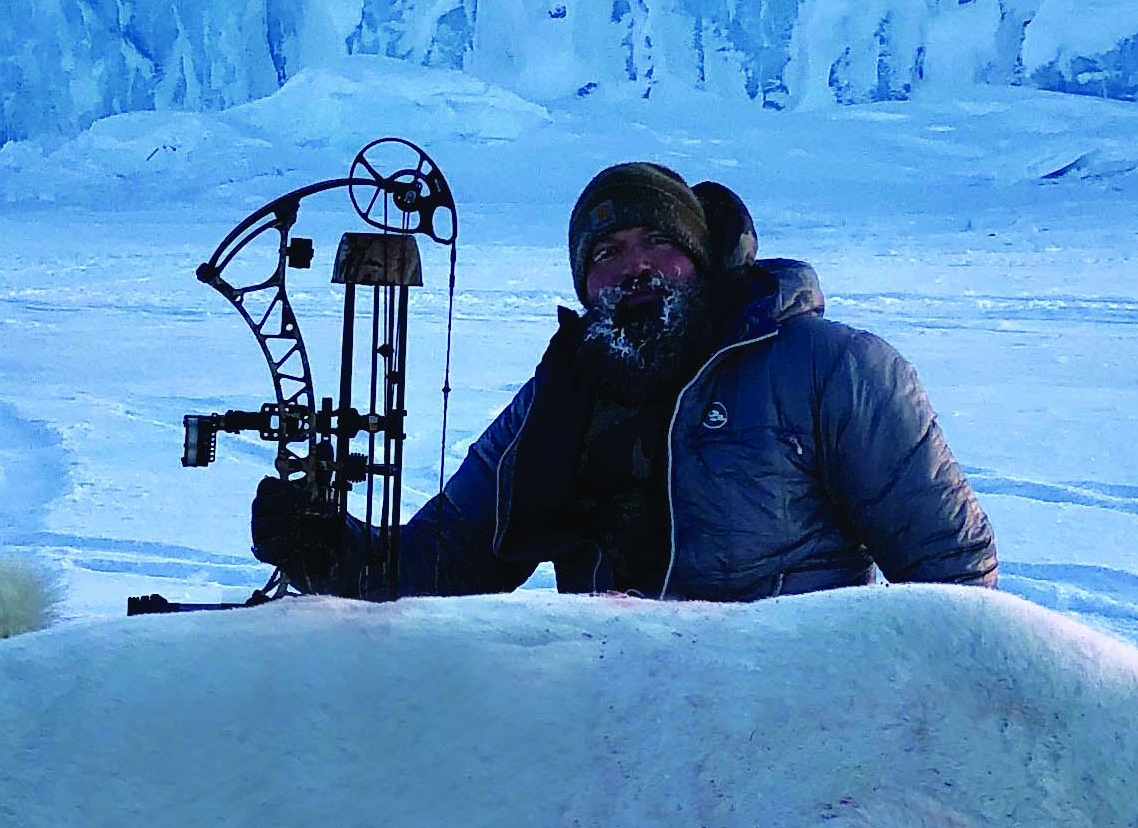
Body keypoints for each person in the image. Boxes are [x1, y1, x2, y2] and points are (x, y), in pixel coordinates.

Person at [251, 161, 997, 600]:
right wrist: (330, 550)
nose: (634, 265)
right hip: (621, 746)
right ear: (585, 281)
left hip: (803, 740)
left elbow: (954, 586)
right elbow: (447, 559)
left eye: (659, 242)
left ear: (704, 262)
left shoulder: (834, 370)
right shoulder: (557, 399)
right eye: (607, 251)